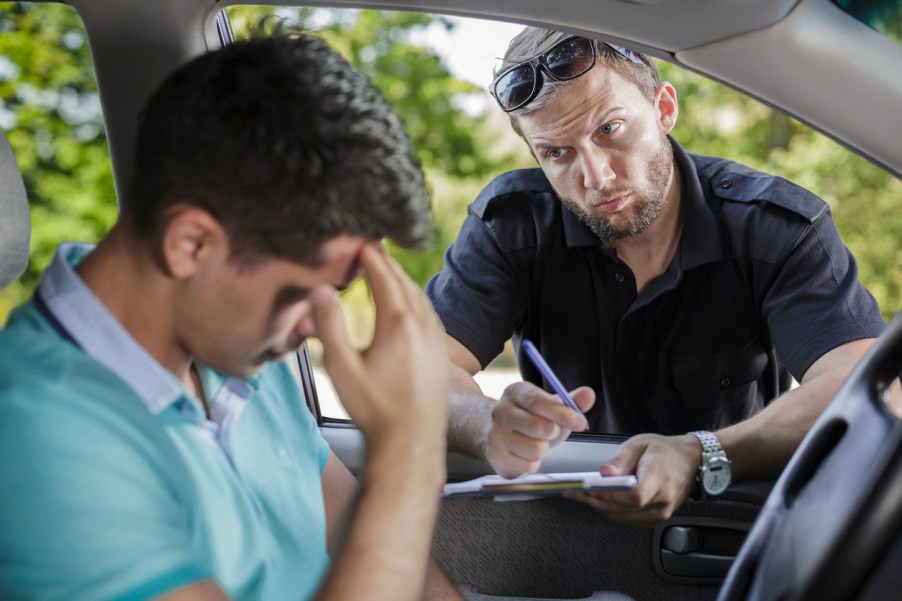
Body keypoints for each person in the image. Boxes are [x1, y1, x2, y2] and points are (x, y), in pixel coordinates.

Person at [0, 34, 463, 600]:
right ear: (191, 244)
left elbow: (358, 536)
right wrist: (406, 455)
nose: (316, 326)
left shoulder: (243, 351)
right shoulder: (38, 435)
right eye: (305, 292)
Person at [425, 27, 886, 525]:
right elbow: (418, 369)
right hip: (562, 525)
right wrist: (485, 422)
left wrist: (703, 452)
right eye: (558, 153)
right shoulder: (510, 226)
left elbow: (868, 383)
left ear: (664, 109)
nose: (597, 177)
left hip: (726, 519)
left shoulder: (773, 229)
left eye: (610, 130)